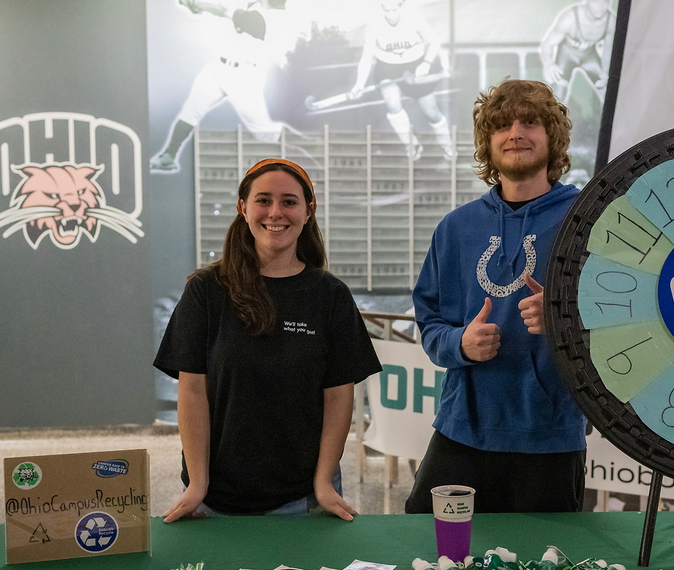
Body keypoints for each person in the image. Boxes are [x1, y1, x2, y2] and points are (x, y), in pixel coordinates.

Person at [154, 158, 382, 521]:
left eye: (289, 201)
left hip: (304, 498)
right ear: (243, 208)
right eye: (264, 200)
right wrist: (198, 483)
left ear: (309, 211)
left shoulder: (329, 295)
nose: (276, 212)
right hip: (216, 498)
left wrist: (324, 483)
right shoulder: (206, 291)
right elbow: (192, 390)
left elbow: (339, 396)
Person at [404, 79, 588, 515]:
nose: (515, 133)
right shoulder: (456, 228)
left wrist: (564, 319)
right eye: (502, 125)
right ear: (488, 143)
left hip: (550, 436)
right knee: (432, 555)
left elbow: (626, 322)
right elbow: (431, 322)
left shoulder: (588, 221)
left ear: (553, 137)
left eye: (530, 122)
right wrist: (460, 344)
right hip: (461, 432)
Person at [150, 0, 299, 173]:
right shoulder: (257, 6)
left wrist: (194, 3)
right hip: (217, 68)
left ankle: (306, 144)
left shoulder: (274, 19)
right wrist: (197, 7)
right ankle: (168, 156)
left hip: (244, 77)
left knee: (264, 131)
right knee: (191, 110)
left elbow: (223, 10)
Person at [348, 0, 454, 161]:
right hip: (387, 68)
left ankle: (447, 146)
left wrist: (426, 63)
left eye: (394, 9)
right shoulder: (373, 26)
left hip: (416, 66)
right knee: (392, 104)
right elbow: (367, 57)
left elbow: (434, 42)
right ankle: (412, 145)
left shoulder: (415, 20)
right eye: (386, 9)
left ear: (401, 5)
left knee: (431, 112)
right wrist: (359, 84)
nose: (391, 13)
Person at [539, 0, 615, 105]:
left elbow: (608, 48)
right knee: (557, 96)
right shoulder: (570, 18)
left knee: (606, 85)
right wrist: (549, 63)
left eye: (605, 2)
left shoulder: (610, 21)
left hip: (589, 55)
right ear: (587, 2)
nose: (601, 7)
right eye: (596, 2)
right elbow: (548, 44)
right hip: (567, 54)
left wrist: (605, 72)